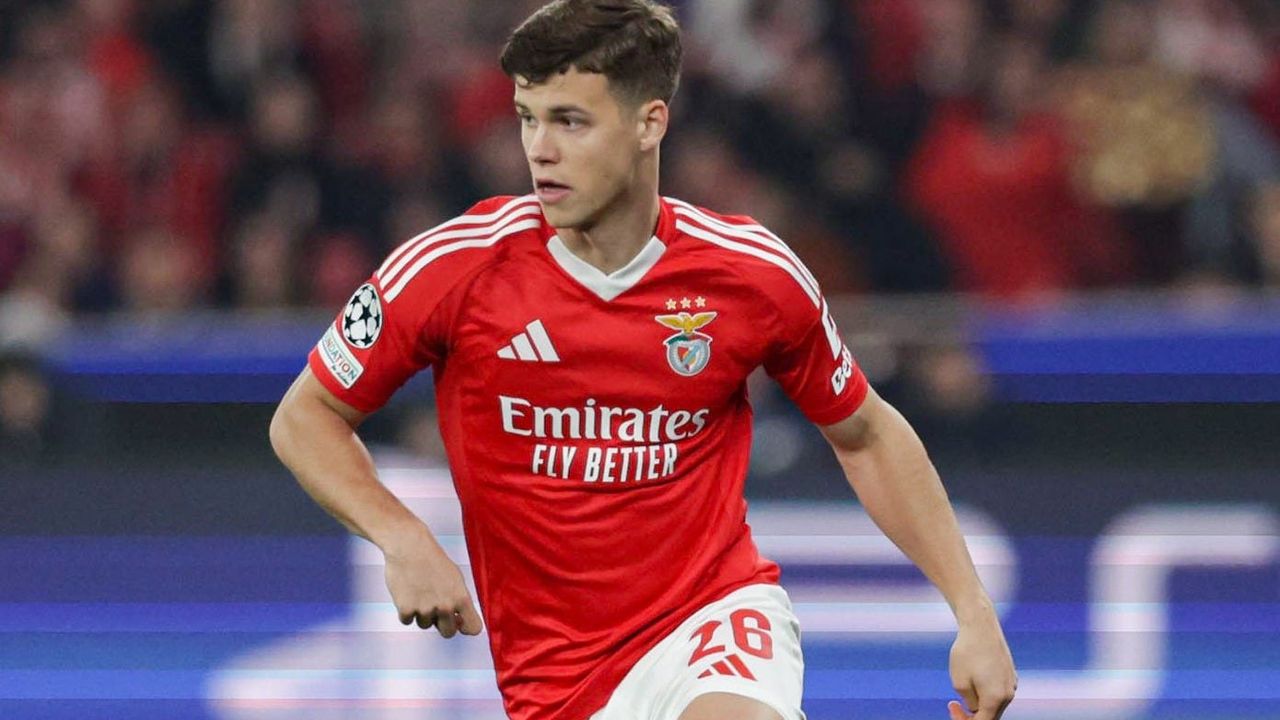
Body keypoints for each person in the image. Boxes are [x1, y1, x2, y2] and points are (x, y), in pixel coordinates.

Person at [268, 2, 1017, 719]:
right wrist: (401, 536)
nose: (540, 149)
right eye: (528, 118)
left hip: (713, 618)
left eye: (570, 121)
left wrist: (973, 612)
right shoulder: (453, 268)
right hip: (553, 680)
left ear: (648, 123)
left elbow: (866, 433)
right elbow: (305, 416)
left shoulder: (750, 274)